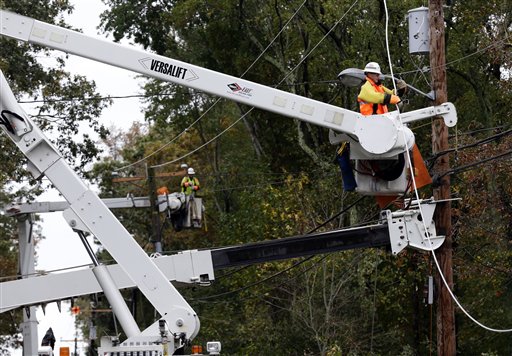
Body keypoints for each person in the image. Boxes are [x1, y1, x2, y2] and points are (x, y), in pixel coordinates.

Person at [335, 62, 407, 192]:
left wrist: (400, 90)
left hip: (380, 123)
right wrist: (394, 99)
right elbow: (375, 97)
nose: (377, 76)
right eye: (375, 74)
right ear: (368, 74)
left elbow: (391, 94)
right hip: (370, 122)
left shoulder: (378, 86)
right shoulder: (366, 87)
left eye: (377, 74)